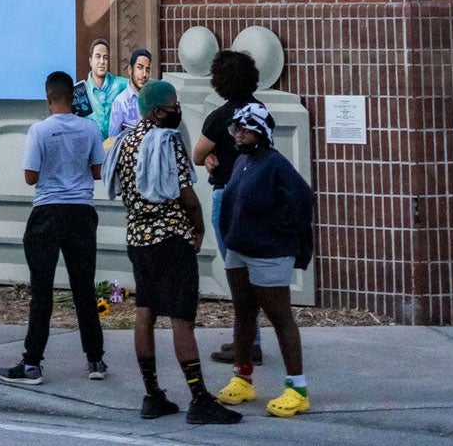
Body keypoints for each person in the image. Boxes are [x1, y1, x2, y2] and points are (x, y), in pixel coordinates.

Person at [112, 79, 239, 427]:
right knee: (182, 318)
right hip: (170, 238)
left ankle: (152, 395)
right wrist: (198, 228)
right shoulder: (167, 141)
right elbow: (186, 194)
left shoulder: (126, 141)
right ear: (157, 111)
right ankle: (199, 398)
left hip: (138, 239)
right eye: (173, 105)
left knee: (145, 311)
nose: (177, 110)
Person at [0, 70, 107, 387]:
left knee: (41, 291)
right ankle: (95, 359)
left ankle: (32, 363)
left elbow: (30, 177)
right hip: (82, 212)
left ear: (48, 99)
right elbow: (98, 171)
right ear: (73, 98)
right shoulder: (89, 128)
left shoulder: (39, 131)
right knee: (84, 289)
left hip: (47, 211)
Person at [216, 101, 314, 419]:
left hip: (269, 254)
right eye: (237, 129)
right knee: (243, 313)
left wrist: (275, 233)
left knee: (279, 316)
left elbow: (302, 199)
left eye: (246, 129)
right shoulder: (243, 161)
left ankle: (297, 390)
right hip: (240, 250)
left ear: (260, 132)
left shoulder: (275, 164)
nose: (239, 134)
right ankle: (243, 378)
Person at [192, 48, 264, 366]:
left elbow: (197, 153)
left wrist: (209, 156)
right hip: (258, 198)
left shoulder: (221, 117)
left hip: (228, 197)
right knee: (253, 272)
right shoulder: (260, 111)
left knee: (236, 273)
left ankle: (247, 344)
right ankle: (250, 340)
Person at [73, 37, 128, 140]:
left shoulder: (120, 84)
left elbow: (141, 85)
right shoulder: (81, 92)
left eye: (105, 57)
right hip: (92, 148)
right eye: (98, 57)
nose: (102, 61)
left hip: (115, 148)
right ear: (90, 61)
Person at [107, 46, 152, 139]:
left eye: (147, 70)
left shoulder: (152, 99)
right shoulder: (120, 102)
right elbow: (113, 140)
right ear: (130, 70)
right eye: (139, 68)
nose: (144, 74)